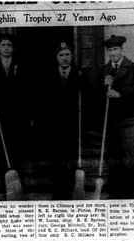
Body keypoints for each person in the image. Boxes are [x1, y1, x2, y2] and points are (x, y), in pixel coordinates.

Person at [100, 34, 134, 198]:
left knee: (132, 159)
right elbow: (97, 97)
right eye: (110, 50)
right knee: (113, 160)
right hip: (111, 122)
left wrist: (120, 94)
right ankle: (116, 194)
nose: (112, 53)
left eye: (115, 49)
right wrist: (102, 85)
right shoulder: (104, 71)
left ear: (122, 50)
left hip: (129, 121)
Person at [0, 33, 29, 195]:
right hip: (0, 118)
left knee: (19, 155)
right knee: (3, 155)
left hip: (18, 118)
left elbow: (28, 93)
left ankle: (18, 188)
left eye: (9, 45)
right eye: (3, 45)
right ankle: (6, 188)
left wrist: (29, 117)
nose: (6, 48)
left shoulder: (21, 66)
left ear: (13, 48)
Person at [46, 42, 87, 200]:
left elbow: (87, 100)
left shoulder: (80, 74)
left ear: (72, 56)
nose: (64, 58)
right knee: (56, 160)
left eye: (67, 54)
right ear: (56, 58)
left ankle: (71, 191)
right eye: (61, 55)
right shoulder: (49, 75)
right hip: (55, 126)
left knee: (70, 160)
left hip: (72, 125)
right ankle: (58, 192)